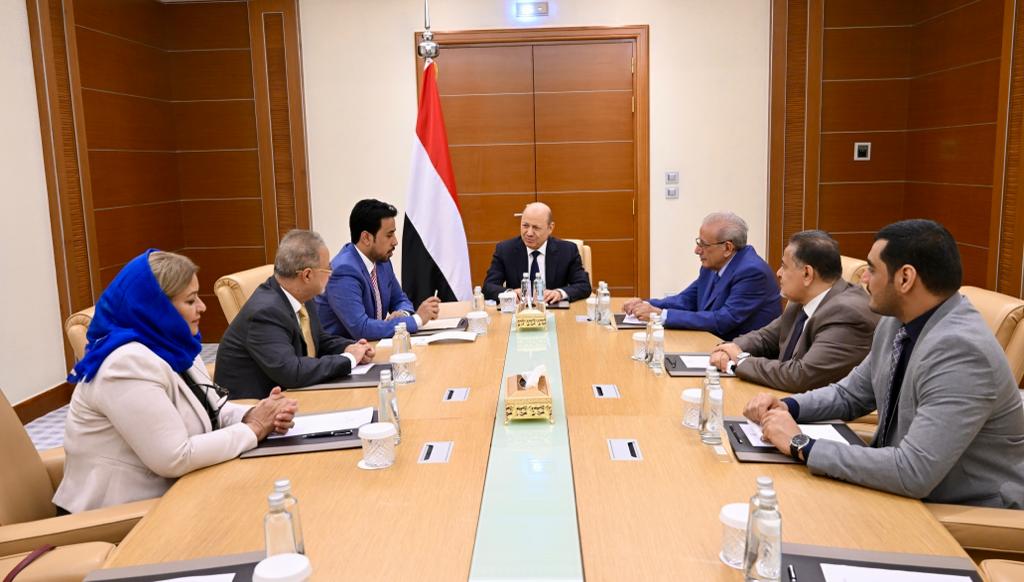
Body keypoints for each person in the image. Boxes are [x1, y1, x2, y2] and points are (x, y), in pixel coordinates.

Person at [744, 220, 1024, 508]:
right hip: (899, 488)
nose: (863, 278)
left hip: (961, 508)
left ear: (905, 278)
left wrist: (801, 444)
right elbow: (850, 394)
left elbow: (914, 471)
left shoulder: (961, 352)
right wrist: (787, 407)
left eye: (872, 269)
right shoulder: (896, 322)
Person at [53, 250, 298, 513]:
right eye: (191, 300)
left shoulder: (174, 345)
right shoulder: (125, 365)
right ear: (157, 308)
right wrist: (254, 428)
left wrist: (255, 413)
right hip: (119, 515)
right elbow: (175, 457)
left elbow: (210, 409)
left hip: (181, 491)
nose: (202, 307)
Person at [710, 230, 878, 391]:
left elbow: (802, 376)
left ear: (807, 274)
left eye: (784, 266)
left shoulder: (847, 313)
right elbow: (764, 338)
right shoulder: (802, 301)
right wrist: (728, 349)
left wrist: (740, 360)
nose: (778, 273)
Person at [216, 230, 374, 399]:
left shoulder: (302, 295)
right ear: (307, 275)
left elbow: (318, 339)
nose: (331, 274)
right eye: (328, 269)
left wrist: (349, 347)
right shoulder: (265, 313)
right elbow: (291, 372)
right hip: (255, 406)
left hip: (291, 394)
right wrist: (349, 359)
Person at [624, 212, 781, 341]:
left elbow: (723, 320)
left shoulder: (752, 272)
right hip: (710, 343)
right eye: (699, 242)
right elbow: (686, 300)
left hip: (741, 355)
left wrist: (660, 315)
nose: (697, 250)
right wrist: (645, 304)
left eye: (704, 245)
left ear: (727, 248)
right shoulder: (712, 266)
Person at [317, 199, 440, 340]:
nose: (395, 241)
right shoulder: (344, 271)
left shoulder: (382, 262)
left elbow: (400, 299)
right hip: (345, 350)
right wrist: (417, 319)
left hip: (372, 346)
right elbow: (362, 329)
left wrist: (402, 314)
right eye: (389, 235)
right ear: (366, 238)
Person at [482, 202, 592, 303]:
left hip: (554, 310)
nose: (529, 233)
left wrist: (559, 293)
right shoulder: (505, 250)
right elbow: (488, 287)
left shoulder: (567, 250)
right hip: (518, 311)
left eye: (536, 227)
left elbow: (584, 285)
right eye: (525, 226)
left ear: (550, 228)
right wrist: (509, 293)